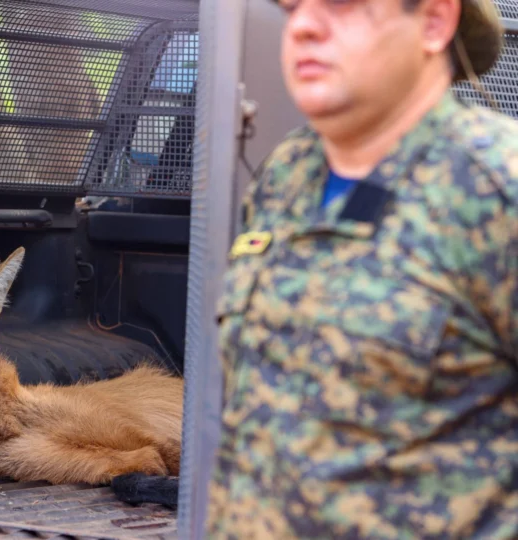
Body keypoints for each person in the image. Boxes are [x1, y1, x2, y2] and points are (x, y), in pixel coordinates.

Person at [206, 0, 518, 537]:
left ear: (435, 21)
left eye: (341, 4)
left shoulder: (496, 187)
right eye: (293, 7)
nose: (303, 25)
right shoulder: (286, 175)